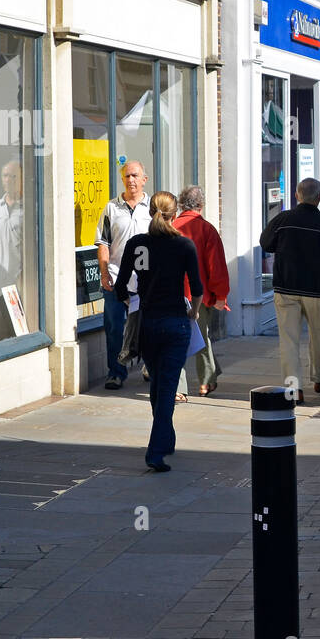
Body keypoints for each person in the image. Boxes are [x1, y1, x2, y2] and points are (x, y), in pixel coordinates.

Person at [114, 191, 202, 471]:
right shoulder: (184, 245)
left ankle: (166, 437)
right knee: (166, 387)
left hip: (148, 323)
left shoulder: (138, 244)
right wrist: (194, 311)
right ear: (174, 215)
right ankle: (155, 451)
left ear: (149, 211)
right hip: (175, 322)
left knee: (158, 385)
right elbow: (197, 288)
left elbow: (120, 285)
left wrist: (130, 301)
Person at [259, 178, 320, 403]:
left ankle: (293, 388)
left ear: (297, 196)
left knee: (288, 339)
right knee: (318, 335)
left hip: (286, 288)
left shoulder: (283, 219)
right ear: (319, 198)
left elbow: (265, 243)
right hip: (316, 291)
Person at [172, 185, 231, 398]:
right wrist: (220, 296)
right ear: (201, 205)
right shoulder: (207, 230)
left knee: (175, 340)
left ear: (180, 204)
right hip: (199, 296)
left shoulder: (170, 227)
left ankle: (178, 387)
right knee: (201, 338)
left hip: (172, 294)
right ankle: (206, 381)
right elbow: (216, 266)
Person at [97, 161, 151, 389]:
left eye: (135, 176)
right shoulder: (111, 208)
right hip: (117, 277)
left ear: (144, 179)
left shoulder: (152, 207)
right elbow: (103, 242)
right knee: (115, 327)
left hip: (146, 280)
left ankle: (150, 366)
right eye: (127, 176)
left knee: (147, 326)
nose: (131, 180)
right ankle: (116, 372)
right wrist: (104, 273)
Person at [0, 159, 24, 342]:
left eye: (13, 176)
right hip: (3, 278)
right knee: (7, 321)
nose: (8, 180)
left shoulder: (28, 208)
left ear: (21, 179)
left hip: (23, 279)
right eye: (5, 176)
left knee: (23, 323)